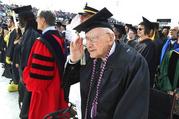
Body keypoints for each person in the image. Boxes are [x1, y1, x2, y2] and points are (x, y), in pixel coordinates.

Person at [63, 8, 150, 119]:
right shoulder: (90, 56)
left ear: (110, 38)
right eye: (87, 39)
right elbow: (68, 82)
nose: (88, 45)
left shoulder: (133, 63)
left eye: (93, 39)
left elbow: (132, 111)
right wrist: (74, 60)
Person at [22, 10, 68, 119]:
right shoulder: (58, 37)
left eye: (38, 18)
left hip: (44, 94)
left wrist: (26, 78)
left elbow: (38, 78)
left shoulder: (43, 42)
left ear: (43, 20)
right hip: (56, 87)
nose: (36, 20)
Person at [13, 5, 40, 119]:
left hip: (27, 78)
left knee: (27, 109)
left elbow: (26, 60)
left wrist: (23, 78)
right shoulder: (29, 33)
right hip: (26, 77)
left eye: (20, 20)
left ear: (25, 20)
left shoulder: (31, 34)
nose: (18, 22)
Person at [134, 17, 158, 87]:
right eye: (137, 29)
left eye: (140, 29)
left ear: (148, 30)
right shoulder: (139, 43)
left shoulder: (150, 45)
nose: (138, 30)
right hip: (136, 78)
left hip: (142, 81)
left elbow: (143, 65)